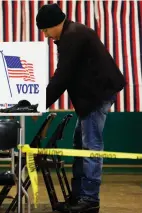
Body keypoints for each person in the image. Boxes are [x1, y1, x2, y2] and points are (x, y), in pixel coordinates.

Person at [36, 3, 126, 213]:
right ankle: (78, 195)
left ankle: (89, 199)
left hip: (96, 97)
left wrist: (40, 105)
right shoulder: (71, 33)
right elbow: (66, 76)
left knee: (91, 146)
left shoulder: (73, 36)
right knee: (81, 142)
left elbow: (62, 77)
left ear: (54, 24)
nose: (45, 34)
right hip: (92, 97)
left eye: (45, 29)